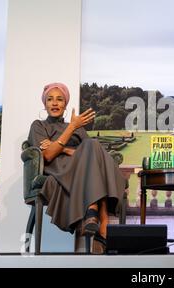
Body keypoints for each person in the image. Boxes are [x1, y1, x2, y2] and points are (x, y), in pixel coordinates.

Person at [28, 82, 126, 254]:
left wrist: (63, 148)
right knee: (94, 158)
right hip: (58, 170)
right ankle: (102, 224)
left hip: (81, 171)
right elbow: (49, 155)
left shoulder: (79, 129)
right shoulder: (38, 126)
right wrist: (72, 127)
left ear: (65, 103)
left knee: (92, 146)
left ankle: (94, 217)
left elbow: (92, 154)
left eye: (60, 99)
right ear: (44, 103)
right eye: (50, 99)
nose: (55, 103)